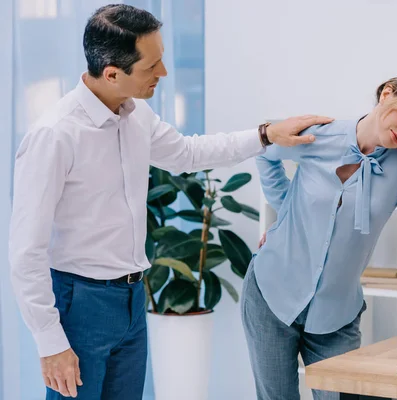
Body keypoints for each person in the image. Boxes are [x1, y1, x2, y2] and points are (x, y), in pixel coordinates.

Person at [8, 4, 331, 400]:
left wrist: (266, 134)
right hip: (80, 303)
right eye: (152, 66)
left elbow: (188, 154)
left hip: (131, 297)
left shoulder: (135, 114)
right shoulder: (54, 135)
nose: (163, 74)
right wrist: (49, 342)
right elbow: (26, 251)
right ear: (112, 73)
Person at [242, 71, 397, 400]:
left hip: (335, 316)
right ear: (387, 94)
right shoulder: (318, 135)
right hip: (271, 294)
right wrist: (286, 216)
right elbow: (265, 153)